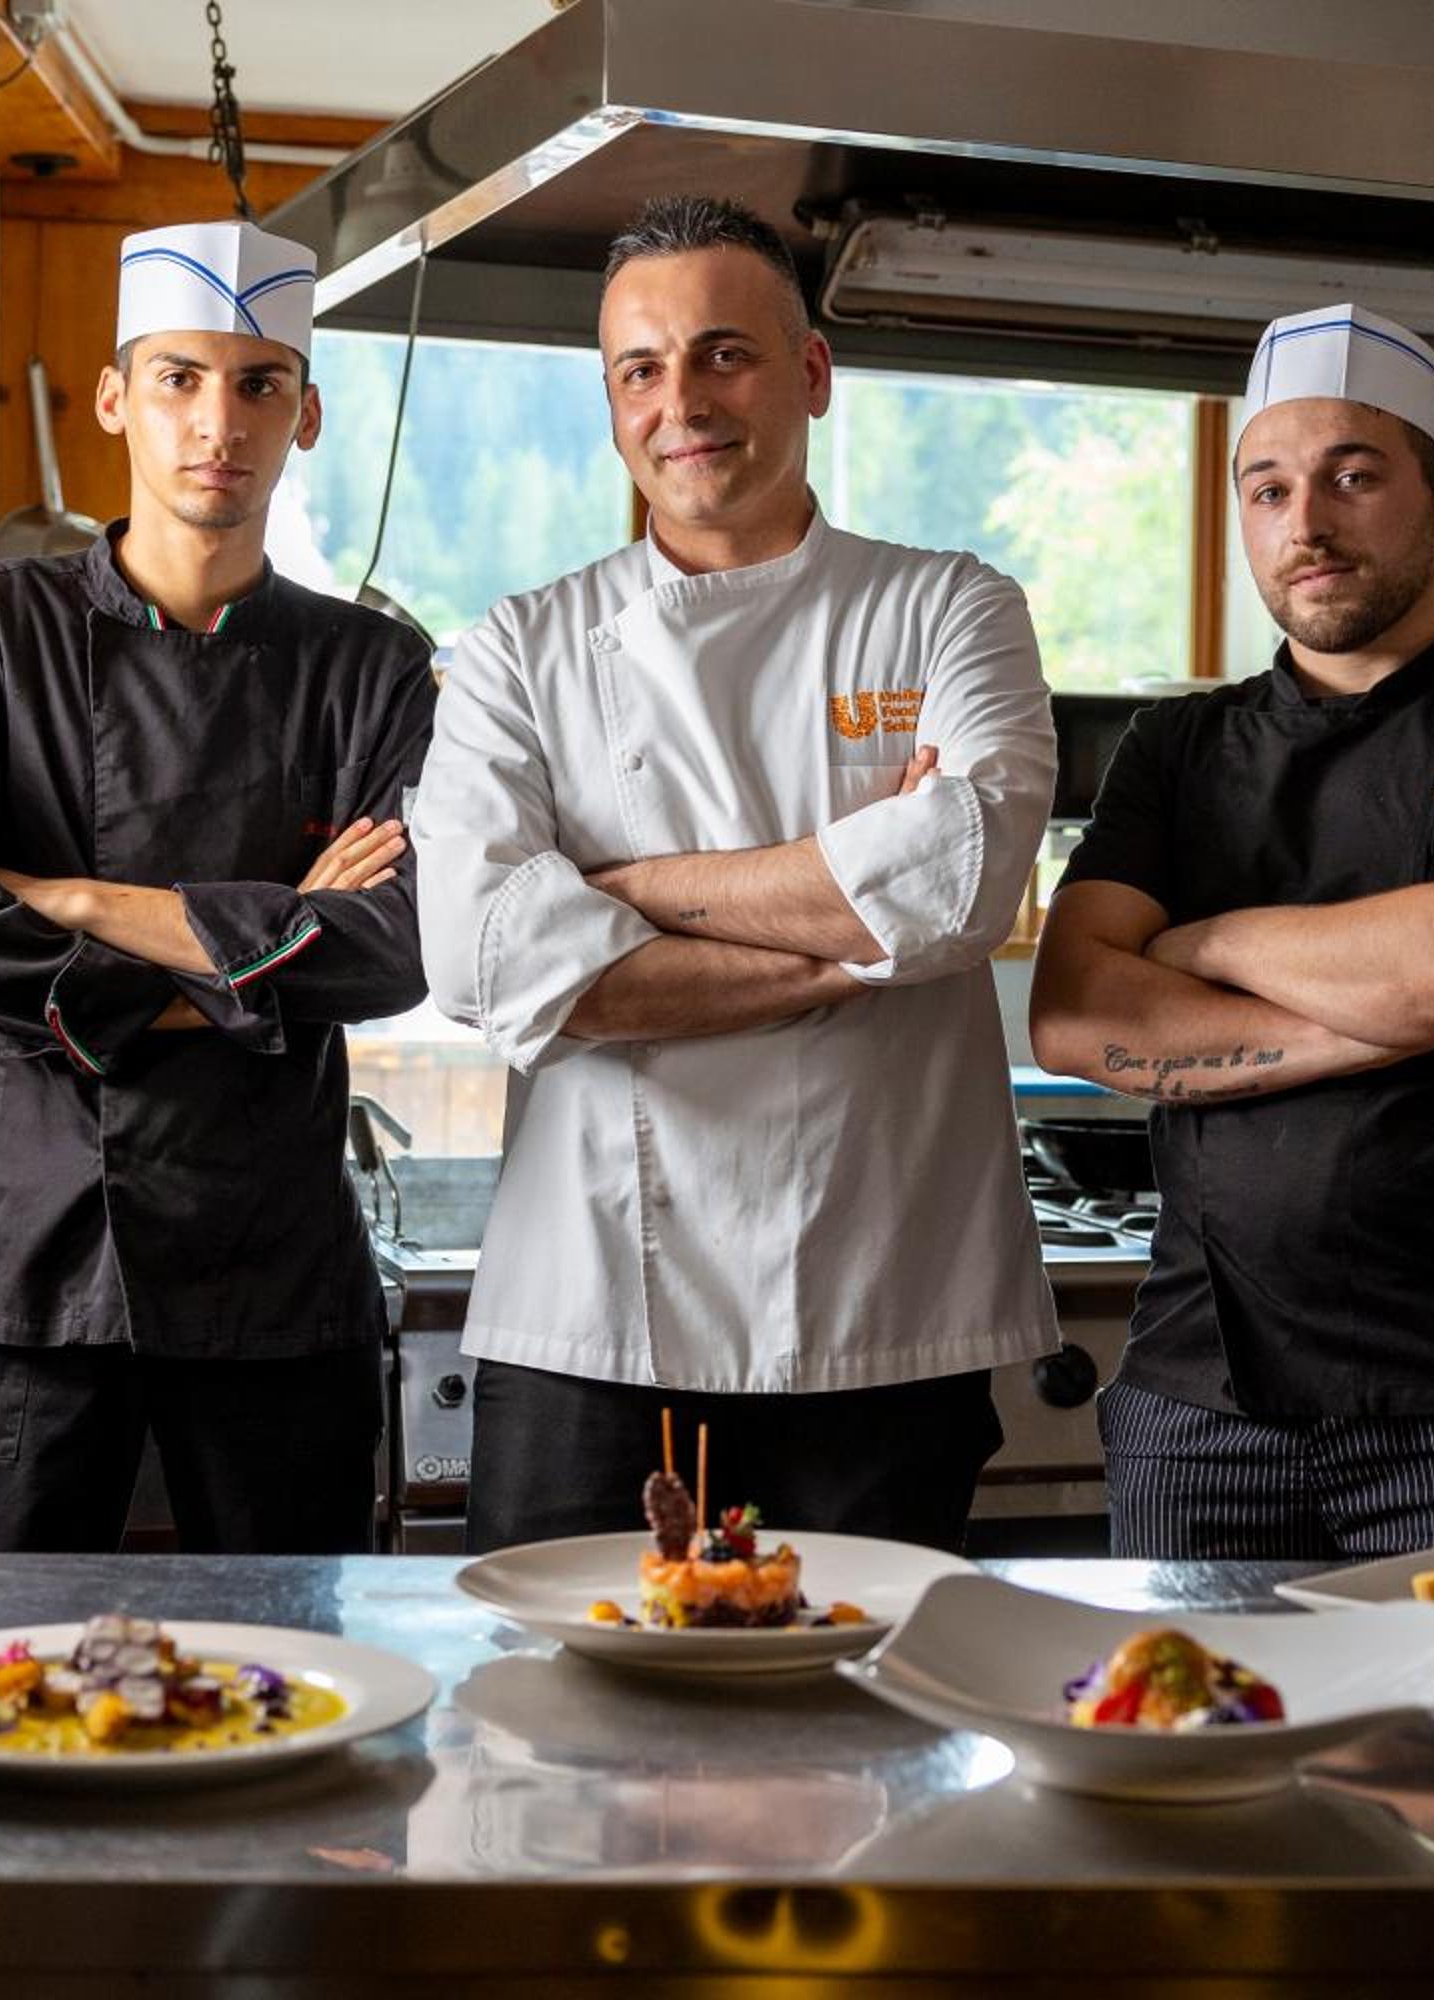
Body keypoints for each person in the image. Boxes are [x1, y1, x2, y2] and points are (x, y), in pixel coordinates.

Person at [410, 195, 1059, 1553]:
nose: (682, 404)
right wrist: (849, 938)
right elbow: (480, 955)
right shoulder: (521, 647)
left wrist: (621, 890)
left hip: (884, 1305)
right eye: (640, 370)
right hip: (593, 1308)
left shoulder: (952, 606)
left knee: (869, 1688)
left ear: (812, 371)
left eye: (724, 355)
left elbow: (959, 883)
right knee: (567, 1680)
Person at [1028, 301, 1434, 1561]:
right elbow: (1076, 1012)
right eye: (1268, 489)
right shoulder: (1178, 746)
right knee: (1190, 1704)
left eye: (1352, 477)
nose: (1304, 522)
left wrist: (1200, 942)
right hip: (1198, 1404)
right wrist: (1396, 1009)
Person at [0, 219, 435, 1554]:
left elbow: (400, 948)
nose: (217, 423)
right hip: (31, 1269)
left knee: (296, 1657)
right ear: (117, 397)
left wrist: (68, 900)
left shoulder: (371, 668)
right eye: (179, 378)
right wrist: (261, 957)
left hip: (278, 1286)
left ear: (305, 416)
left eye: (258, 384)